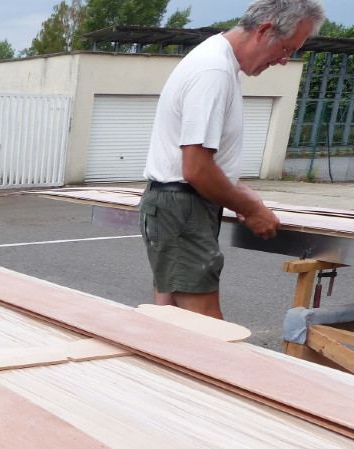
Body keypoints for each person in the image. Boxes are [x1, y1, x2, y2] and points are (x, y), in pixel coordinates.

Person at [139, 0, 325, 319]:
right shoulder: (214, 70)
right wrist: (250, 208)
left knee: (169, 319)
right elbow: (196, 168)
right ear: (265, 29)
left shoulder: (219, 61)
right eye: (287, 48)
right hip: (184, 207)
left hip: (179, 206)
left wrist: (241, 191)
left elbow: (207, 160)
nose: (285, 60)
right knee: (206, 329)